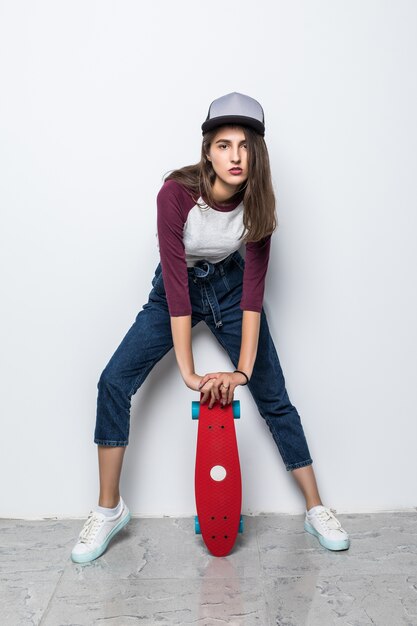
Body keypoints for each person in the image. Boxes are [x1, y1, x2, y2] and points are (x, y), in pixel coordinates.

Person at [71, 92, 350, 564]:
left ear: (256, 152)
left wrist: (241, 372)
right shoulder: (175, 195)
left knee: (274, 396)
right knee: (112, 382)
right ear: (207, 151)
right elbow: (177, 291)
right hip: (174, 291)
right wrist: (190, 372)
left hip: (229, 288)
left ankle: (316, 507)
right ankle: (108, 508)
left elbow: (254, 295)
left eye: (244, 145)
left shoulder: (259, 205)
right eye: (223, 145)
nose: (235, 156)